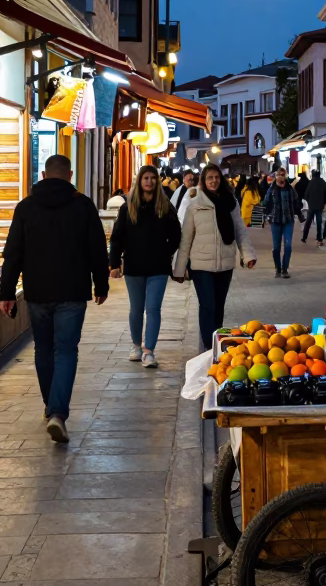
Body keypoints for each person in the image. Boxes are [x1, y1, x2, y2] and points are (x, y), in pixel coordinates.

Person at [0, 153, 109, 443]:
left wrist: (6, 292)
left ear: (45, 176)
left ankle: (51, 407)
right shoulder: (83, 206)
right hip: (72, 291)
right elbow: (97, 249)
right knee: (66, 350)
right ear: (70, 176)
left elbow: (12, 252)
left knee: (43, 349)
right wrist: (101, 285)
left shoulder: (26, 207)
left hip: (37, 292)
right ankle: (58, 412)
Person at [174, 163, 257, 347]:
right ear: (203, 180)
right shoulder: (195, 204)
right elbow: (185, 239)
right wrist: (179, 269)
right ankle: (208, 348)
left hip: (225, 264)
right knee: (208, 306)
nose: (213, 181)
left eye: (216, 177)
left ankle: (216, 345)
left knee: (218, 308)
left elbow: (239, 230)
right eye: (210, 177)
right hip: (201, 266)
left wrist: (248, 255)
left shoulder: (230, 202)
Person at [109, 165, 181, 368]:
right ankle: (135, 345)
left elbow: (176, 234)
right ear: (139, 181)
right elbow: (117, 237)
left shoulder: (165, 207)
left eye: (153, 178)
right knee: (136, 308)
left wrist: (166, 252)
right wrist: (114, 263)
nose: (149, 181)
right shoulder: (128, 207)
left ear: (157, 181)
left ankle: (149, 350)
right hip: (134, 266)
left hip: (158, 266)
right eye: (145, 178)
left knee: (153, 309)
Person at [263, 167, 304, 278]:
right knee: (276, 247)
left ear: (285, 176)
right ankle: (278, 268)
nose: (281, 176)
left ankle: (285, 269)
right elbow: (265, 203)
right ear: (276, 176)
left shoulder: (290, 189)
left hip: (288, 220)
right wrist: (265, 217)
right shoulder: (271, 189)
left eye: (283, 174)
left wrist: (300, 212)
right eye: (279, 174)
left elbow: (296, 202)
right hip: (275, 221)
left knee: (288, 246)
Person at [302, 169, 326, 245]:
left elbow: (306, 194)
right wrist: (325, 203)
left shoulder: (311, 183)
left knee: (308, 222)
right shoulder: (323, 183)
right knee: (319, 222)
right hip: (320, 205)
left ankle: (304, 237)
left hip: (311, 206)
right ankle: (319, 238)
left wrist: (309, 201)